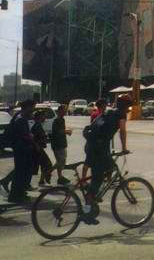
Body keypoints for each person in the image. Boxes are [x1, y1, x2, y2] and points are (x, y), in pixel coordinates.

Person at [82, 94, 131, 224]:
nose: (128, 109)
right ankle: (87, 212)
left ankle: (92, 195)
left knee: (107, 168)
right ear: (125, 106)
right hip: (98, 148)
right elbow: (122, 131)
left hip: (92, 145)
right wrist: (124, 148)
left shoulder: (110, 112)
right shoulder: (121, 115)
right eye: (128, 106)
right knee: (98, 179)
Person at [7, 100, 36, 204]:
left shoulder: (19, 117)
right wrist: (31, 138)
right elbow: (25, 136)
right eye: (32, 107)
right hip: (22, 149)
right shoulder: (21, 119)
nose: (33, 109)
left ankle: (19, 193)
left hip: (21, 149)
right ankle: (16, 195)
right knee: (21, 173)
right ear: (27, 107)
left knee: (22, 172)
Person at [51, 104, 73, 185]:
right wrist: (67, 131)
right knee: (61, 161)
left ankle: (59, 177)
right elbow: (58, 132)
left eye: (66, 110)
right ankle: (48, 172)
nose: (66, 111)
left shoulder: (61, 119)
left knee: (61, 161)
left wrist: (66, 131)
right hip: (57, 144)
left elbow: (61, 130)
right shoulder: (57, 120)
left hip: (61, 143)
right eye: (65, 110)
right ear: (60, 111)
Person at [32, 109, 54, 186]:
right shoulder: (37, 126)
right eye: (44, 116)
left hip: (38, 149)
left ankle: (42, 180)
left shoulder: (38, 125)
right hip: (37, 149)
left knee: (44, 165)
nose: (45, 118)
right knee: (47, 164)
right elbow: (34, 138)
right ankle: (46, 178)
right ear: (40, 117)